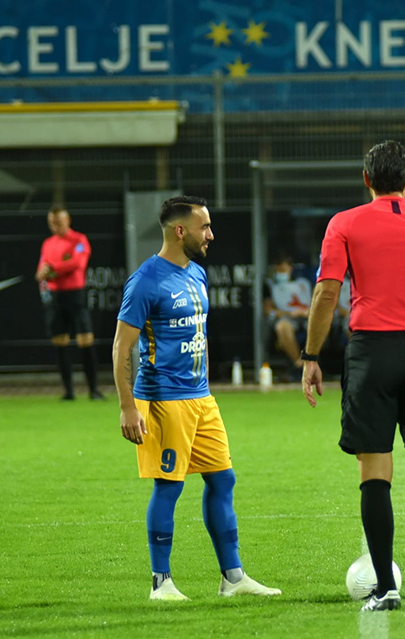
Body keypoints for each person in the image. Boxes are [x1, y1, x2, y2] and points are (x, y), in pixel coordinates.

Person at [301, 141, 405, 611]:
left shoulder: (344, 224)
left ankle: (385, 589)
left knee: (374, 470)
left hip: (370, 353)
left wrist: (311, 356)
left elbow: (326, 293)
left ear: (366, 178)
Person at [112, 195, 281, 601]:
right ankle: (161, 583)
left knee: (223, 479)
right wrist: (127, 407)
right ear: (179, 231)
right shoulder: (146, 280)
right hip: (164, 400)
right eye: (204, 227)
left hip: (202, 398)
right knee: (169, 487)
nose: (211, 235)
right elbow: (121, 346)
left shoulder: (197, 274)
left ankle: (233, 579)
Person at [35, 205, 103, 400]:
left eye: (58, 222)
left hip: (75, 295)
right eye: (51, 223)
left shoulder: (79, 240)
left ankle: (94, 390)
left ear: (67, 220)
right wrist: (41, 273)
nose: (55, 226)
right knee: (59, 340)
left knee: (85, 340)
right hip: (54, 297)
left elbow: (78, 263)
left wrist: (52, 268)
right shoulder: (48, 243)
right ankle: (69, 392)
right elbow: (41, 268)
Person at [264, 251, 313, 376]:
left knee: (320, 325)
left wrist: (308, 312)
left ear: (291, 268)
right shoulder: (270, 286)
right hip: (287, 317)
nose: (281, 273)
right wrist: (290, 313)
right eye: (278, 270)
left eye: (283, 269)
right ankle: (299, 363)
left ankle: (312, 360)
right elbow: (269, 311)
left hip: (307, 316)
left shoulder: (304, 283)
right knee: (282, 327)